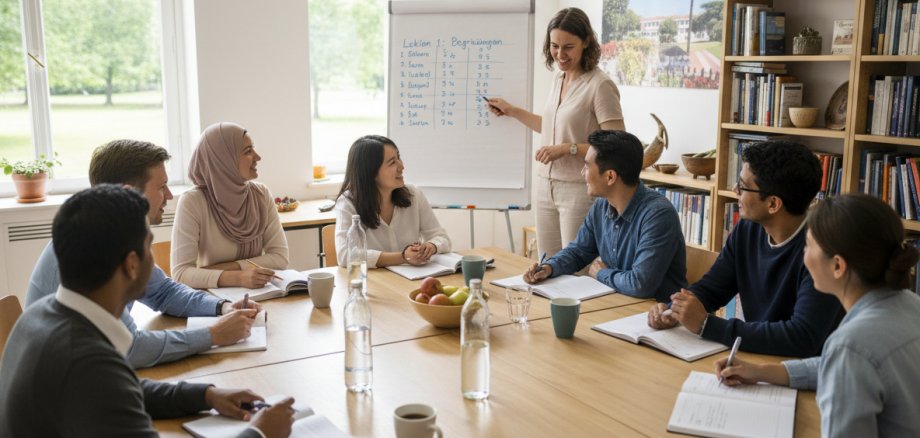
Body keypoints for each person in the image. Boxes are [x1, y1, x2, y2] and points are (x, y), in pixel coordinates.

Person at [0, 185, 295, 437]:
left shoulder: (41, 317)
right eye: (150, 247)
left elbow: (120, 390)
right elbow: (104, 383)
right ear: (131, 264)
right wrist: (257, 432)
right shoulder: (86, 361)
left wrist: (204, 394)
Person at [25, 139, 259, 369]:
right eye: (161, 187)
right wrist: (213, 334)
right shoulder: (92, 248)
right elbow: (132, 348)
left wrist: (223, 307)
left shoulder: (115, 234)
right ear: (130, 193)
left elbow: (163, 292)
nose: (168, 195)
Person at [716, 194, 920, 437]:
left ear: (837, 266)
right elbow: (841, 366)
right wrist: (762, 372)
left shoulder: (851, 346)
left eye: (808, 245)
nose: (803, 255)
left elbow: (848, 360)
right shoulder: (910, 304)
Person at [648, 140, 843, 357]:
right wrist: (673, 308)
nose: (734, 190)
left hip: (806, 373)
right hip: (756, 358)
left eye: (742, 186)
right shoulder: (748, 229)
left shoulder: (823, 251)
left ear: (773, 204)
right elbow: (713, 288)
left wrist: (706, 325)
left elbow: (801, 337)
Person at [487, 7, 625, 258]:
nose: (560, 54)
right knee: (547, 266)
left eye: (568, 47)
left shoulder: (600, 85)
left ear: (585, 42)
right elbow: (552, 128)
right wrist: (511, 111)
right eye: (554, 46)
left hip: (579, 190)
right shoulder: (559, 78)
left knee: (576, 270)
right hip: (545, 187)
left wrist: (568, 149)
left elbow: (617, 144)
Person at [522, 130, 685, 301]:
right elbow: (579, 251)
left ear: (610, 176)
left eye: (586, 166)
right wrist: (549, 267)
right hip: (617, 304)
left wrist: (601, 273)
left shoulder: (658, 216)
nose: (582, 172)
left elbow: (640, 285)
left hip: (654, 314)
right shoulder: (602, 205)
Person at [172, 122, 289, 289]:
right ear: (223, 159)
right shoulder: (193, 201)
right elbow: (181, 275)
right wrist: (239, 277)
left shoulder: (261, 194)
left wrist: (216, 270)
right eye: (248, 151)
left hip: (259, 295)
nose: (258, 157)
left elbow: (280, 258)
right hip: (212, 301)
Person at [334, 135, 451, 268]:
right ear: (370, 172)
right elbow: (345, 255)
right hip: (374, 283)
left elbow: (442, 238)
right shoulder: (348, 203)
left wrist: (431, 246)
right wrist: (403, 257)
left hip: (412, 279)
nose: (401, 166)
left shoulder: (414, 195)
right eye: (392, 162)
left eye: (398, 157)